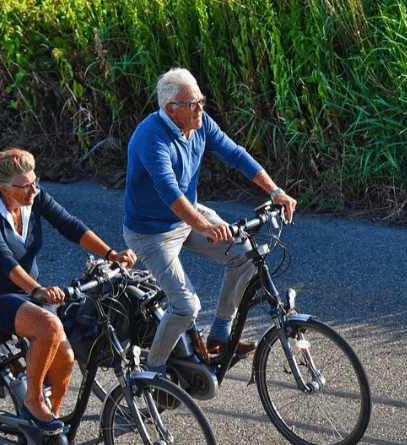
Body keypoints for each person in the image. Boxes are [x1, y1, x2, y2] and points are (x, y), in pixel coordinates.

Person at [123, 67, 297, 375]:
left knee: (246, 254)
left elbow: (235, 154)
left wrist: (275, 191)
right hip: (151, 233)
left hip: (187, 215)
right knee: (186, 307)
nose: (200, 109)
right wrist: (204, 226)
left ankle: (220, 333)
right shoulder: (151, 137)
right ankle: (151, 376)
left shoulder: (198, 123)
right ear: (171, 110)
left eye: (201, 100)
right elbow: (168, 190)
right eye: (193, 104)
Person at [0, 148, 136, 432]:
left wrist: (111, 254)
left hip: (27, 292)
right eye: (26, 185)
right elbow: (2, 260)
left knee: (66, 359)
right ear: (5, 189)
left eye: (35, 181)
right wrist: (38, 290)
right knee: (49, 326)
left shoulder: (34, 198)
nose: (34, 189)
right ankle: (33, 401)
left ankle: (48, 425)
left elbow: (70, 226)